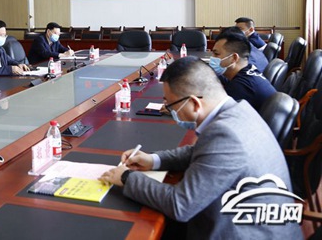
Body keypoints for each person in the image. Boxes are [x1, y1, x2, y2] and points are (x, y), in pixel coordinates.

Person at [100, 56, 299, 239]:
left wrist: (126, 177)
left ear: (195, 103)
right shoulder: (239, 110)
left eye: (171, 105)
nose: (170, 111)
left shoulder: (226, 135)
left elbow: (180, 205)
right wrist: (153, 160)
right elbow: (201, 152)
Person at [210, 28, 276, 111]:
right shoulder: (249, 70)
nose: (212, 58)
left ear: (234, 58)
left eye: (216, 54)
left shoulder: (240, 87)